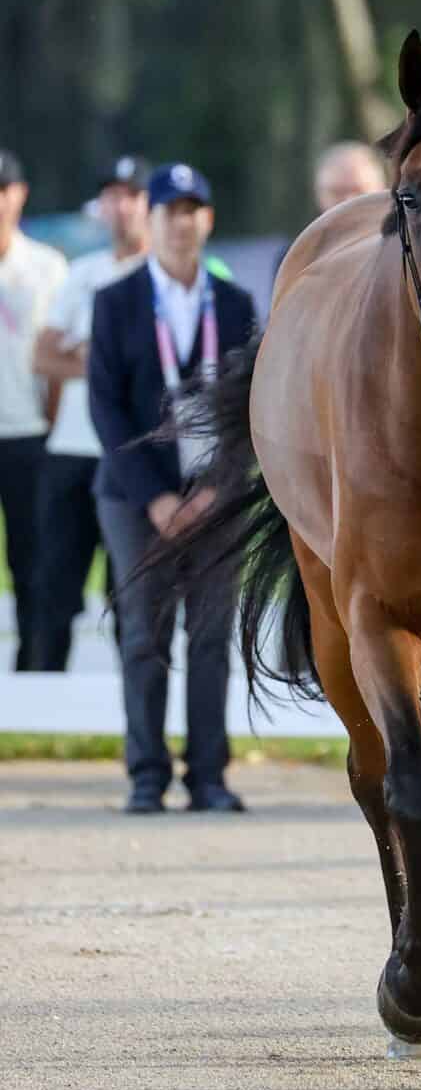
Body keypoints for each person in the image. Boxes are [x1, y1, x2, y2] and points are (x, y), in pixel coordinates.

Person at [90, 163, 257, 815]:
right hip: (136, 497)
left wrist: (218, 490)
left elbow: (250, 408)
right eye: (170, 211)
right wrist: (158, 497)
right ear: (149, 220)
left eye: (193, 210)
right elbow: (105, 408)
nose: (182, 222)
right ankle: (146, 774)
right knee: (144, 633)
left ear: (207, 220)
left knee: (212, 635)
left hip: (218, 496)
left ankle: (209, 775)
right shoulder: (116, 301)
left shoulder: (237, 305)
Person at [30, 157, 152, 669]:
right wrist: (109, 363)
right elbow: (43, 356)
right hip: (72, 451)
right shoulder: (82, 273)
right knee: (53, 587)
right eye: (111, 196)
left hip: (133, 452)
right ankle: (36, 704)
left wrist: (89, 355)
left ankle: (136, 717)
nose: (119, 207)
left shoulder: (165, 275)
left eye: (131, 195)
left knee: (133, 598)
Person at [0, 148, 67, 670]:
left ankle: (31, 673)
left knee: (31, 560)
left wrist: (50, 423)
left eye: (4, 190)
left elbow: (59, 354)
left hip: (28, 433)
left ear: (19, 194)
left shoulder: (46, 266)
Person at [272, 140, 386, 283]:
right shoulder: (296, 258)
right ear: (319, 194)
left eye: (359, 191)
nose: (348, 201)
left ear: (381, 191)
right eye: (337, 192)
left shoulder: (406, 251)